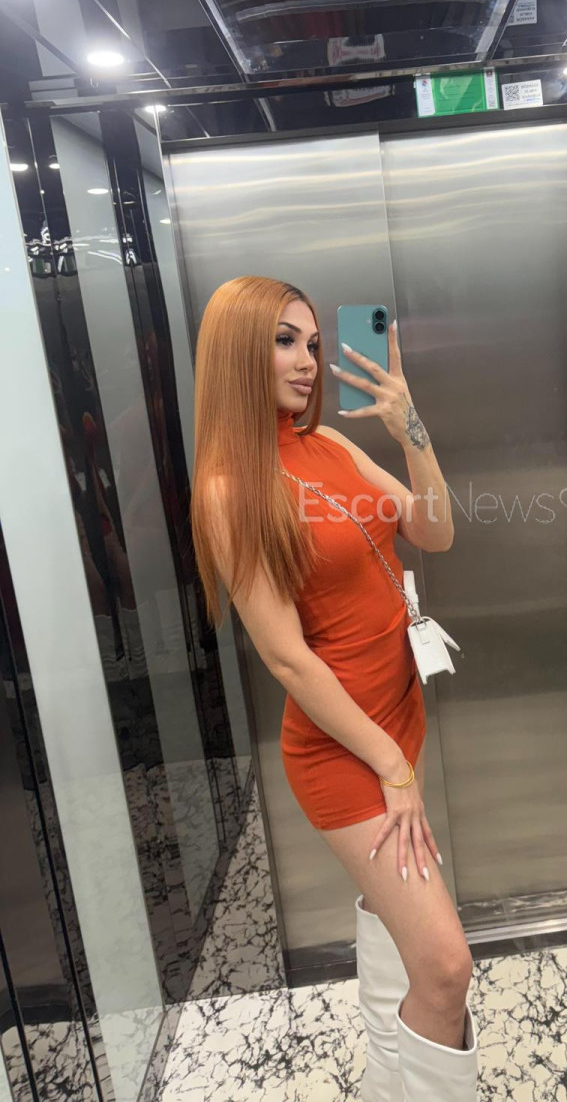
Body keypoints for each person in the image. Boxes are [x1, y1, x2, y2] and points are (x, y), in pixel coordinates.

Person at [190, 277, 479, 1100]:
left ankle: (390, 1078)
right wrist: (391, 767)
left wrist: (409, 427)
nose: (308, 361)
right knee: (446, 968)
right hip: (345, 750)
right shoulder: (229, 490)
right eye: (284, 341)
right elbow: (287, 660)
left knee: (402, 929)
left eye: (313, 344)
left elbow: (435, 532)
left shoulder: (328, 447)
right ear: (236, 352)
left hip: (396, 718)